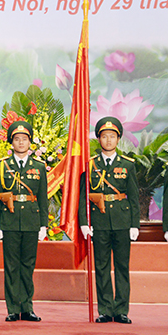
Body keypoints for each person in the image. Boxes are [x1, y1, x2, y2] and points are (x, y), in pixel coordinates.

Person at [79, 116, 139, 324]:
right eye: (104, 136)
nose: (108, 140)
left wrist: (134, 224)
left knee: (122, 267)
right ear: (99, 139)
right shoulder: (89, 164)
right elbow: (83, 197)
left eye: (112, 136)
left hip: (122, 222)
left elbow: (133, 197)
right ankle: (105, 309)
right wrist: (84, 223)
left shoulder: (127, 165)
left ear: (118, 139)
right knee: (102, 267)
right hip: (100, 222)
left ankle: (122, 310)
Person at [0, 120, 48, 322]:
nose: (21, 143)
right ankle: (13, 309)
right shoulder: (2, 166)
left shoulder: (39, 167)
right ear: (11, 142)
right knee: (11, 266)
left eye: (24, 139)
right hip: (10, 221)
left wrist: (44, 224)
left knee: (28, 265)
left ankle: (27, 307)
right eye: (17, 139)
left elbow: (42, 198)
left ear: (30, 142)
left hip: (31, 221)